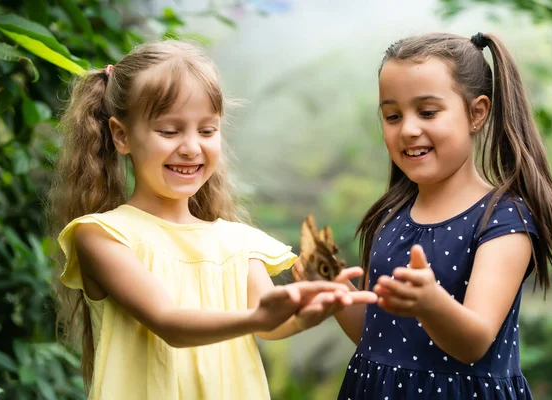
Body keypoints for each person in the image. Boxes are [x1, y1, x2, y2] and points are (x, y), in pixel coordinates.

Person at [48, 40, 377, 400]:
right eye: (169, 131)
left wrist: (306, 311)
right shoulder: (103, 236)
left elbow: (268, 322)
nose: (191, 147)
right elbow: (169, 322)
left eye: (207, 130)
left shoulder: (239, 242)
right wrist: (258, 319)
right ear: (121, 135)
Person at [292, 32, 552, 399]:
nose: (409, 129)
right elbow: (379, 336)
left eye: (428, 112)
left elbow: (475, 341)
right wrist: (336, 289)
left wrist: (431, 304)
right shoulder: (391, 216)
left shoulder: (503, 220)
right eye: (393, 115)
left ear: (476, 113)